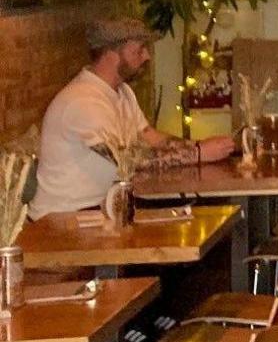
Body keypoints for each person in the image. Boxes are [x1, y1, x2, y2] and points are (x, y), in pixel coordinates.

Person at [31, 17, 234, 220]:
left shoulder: (122, 91)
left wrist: (200, 146)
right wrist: (198, 154)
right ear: (111, 54)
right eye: (138, 50)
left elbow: (149, 136)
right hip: (64, 219)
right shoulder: (82, 102)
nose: (146, 56)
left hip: (100, 210)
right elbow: (126, 161)